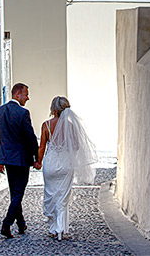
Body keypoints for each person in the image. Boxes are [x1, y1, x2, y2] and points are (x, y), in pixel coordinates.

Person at [38, 96, 98, 240]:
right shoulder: (71, 126)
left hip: (51, 163)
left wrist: (38, 162)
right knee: (63, 197)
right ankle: (60, 229)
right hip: (65, 164)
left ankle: (53, 227)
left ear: (53, 109)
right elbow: (77, 146)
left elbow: (42, 147)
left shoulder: (46, 125)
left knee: (50, 194)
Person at [0, 83, 41, 239]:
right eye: (26, 95)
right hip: (21, 159)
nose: (28, 98)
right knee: (18, 193)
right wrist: (37, 157)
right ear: (18, 94)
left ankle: (21, 224)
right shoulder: (23, 113)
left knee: (14, 193)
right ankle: (6, 224)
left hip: (6, 158)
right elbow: (30, 137)